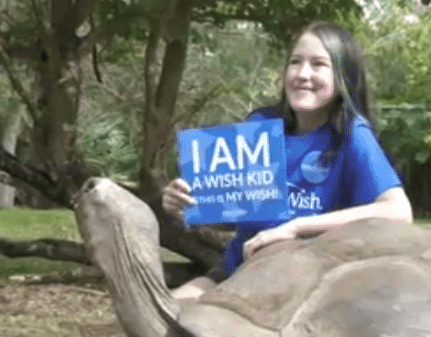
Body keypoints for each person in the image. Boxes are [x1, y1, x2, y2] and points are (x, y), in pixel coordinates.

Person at [162, 21, 413, 300]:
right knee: (164, 319)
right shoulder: (260, 125)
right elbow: (235, 217)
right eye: (295, 62)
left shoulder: (352, 135)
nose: (303, 74)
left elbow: (399, 212)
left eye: (318, 64)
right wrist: (187, 207)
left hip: (307, 290)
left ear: (345, 76)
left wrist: (295, 227)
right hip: (236, 274)